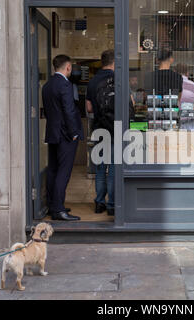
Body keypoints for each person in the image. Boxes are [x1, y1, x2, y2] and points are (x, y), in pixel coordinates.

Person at [42, 55, 83, 221]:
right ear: (68, 67)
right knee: (63, 172)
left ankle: (54, 205)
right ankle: (59, 209)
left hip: (52, 133)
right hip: (66, 135)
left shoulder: (47, 85)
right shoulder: (65, 85)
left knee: (53, 170)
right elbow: (69, 111)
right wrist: (74, 133)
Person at [86, 50, 116, 216]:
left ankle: (99, 203)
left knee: (99, 167)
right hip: (114, 129)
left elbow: (89, 108)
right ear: (114, 63)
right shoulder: (117, 80)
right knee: (112, 167)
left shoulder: (93, 81)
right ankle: (111, 205)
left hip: (98, 128)